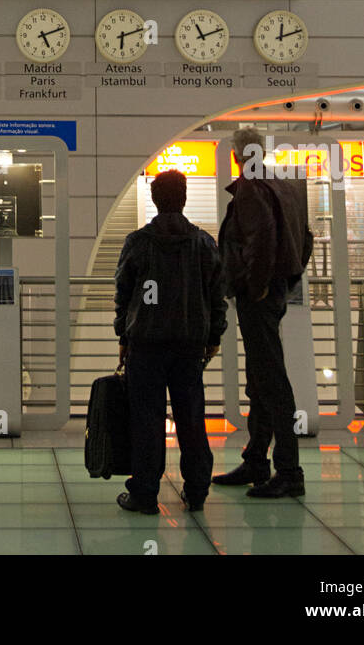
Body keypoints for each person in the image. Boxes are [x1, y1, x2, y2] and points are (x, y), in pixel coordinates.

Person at [113, 169, 227, 515]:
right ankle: (196, 491)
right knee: (191, 417)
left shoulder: (138, 243)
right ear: (185, 198)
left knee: (147, 419)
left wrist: (123, 334)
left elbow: (124, 293)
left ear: (154, 200)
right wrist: (213, 336)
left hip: (146, 345)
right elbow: (216, 295)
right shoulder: (203, 244)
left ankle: (145, 492)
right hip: (189, 346)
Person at [214, 126, 311, 500]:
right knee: (260, 377)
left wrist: (257, 287)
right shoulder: (283, 186)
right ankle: (256, 458)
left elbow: (262, 239)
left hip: (258, 296)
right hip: (275, 292)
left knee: (270, 380)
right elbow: (306, 237)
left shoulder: (252, 187)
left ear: (238, 156)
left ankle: (289, 471)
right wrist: (288, 280)